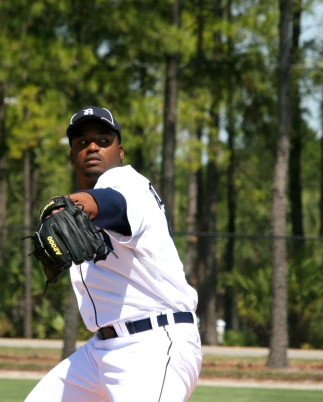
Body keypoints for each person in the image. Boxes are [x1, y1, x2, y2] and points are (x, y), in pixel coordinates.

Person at [25, 106, 201, 402]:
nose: (92, 146)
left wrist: (65, 205)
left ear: (120, 152)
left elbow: (112, 204)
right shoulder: (86, 208)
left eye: (103, 140)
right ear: (71, 156)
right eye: (81, 143)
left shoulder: (129, 184)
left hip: (153, 345)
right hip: (100, 352)